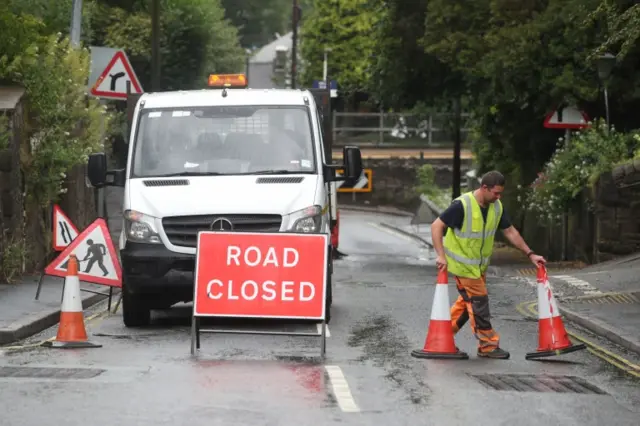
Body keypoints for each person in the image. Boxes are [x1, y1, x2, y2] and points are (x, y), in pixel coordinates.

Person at [430, 170, 546, 359]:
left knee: (467, 306)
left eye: (500, 193)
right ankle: (488, 345)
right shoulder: (462, 205)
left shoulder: (496, 207)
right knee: (479, 303)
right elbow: (436, 226)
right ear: (484, 188)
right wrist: (441, 255)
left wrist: (530, 254)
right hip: (463, 267)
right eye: (496, 193)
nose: (498, 197)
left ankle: (440, 337)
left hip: (479, 268)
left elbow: (510, 231)